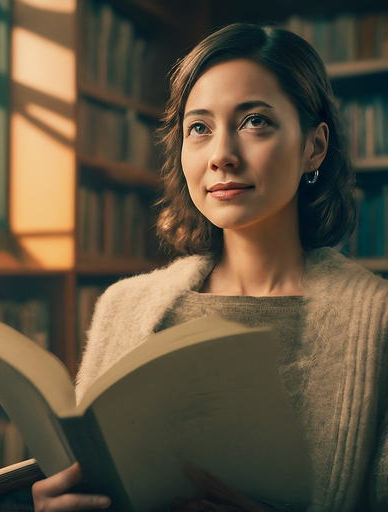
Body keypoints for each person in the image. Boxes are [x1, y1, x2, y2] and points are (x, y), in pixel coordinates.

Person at [32, 22, 388, 512]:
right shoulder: (122, 307)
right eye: (199, 128)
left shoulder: (379, 323)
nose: (221, 156)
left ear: (314, 147)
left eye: (255, 121)